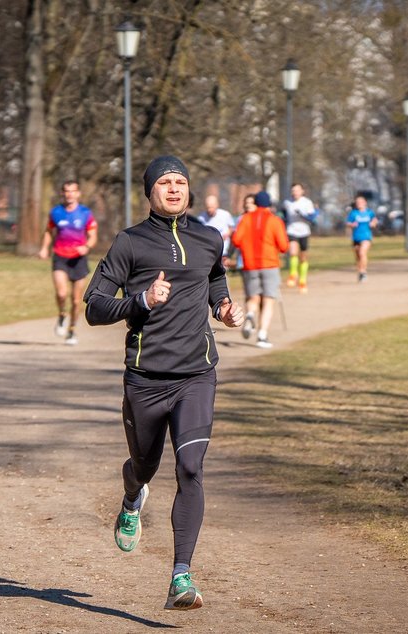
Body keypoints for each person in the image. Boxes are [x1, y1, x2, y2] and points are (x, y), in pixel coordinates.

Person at [83, 155, 244, 611]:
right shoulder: (130, 243)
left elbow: (214, 278)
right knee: (145, 465)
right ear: (150, 191)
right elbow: (94, 306)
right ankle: (132, 494)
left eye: (180, 182)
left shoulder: (209, 238)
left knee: (190, 468)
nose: (174, 189)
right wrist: (141, 300)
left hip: (197, 374)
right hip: (146, 379)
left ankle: (180, 576)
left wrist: (223, 307)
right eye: (164, 182)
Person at [38, 180, 98, 345]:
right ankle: (62, 315)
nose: (69, 194)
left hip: (79, 259)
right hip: (60, 257)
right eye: (66, 191)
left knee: (76, 300)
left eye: (73, 191)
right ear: (62, 193)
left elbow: (93, 236)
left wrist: (87, 247)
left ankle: (71, 330)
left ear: (78, 193)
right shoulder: (56, 212)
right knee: (62, 294)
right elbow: (48, 232)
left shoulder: (85, 213)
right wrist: (44, 248)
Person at [230, 191, 288, 348]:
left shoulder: (245, 219)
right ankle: (262, 335)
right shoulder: (275, 220)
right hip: (269, 264)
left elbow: (236, 240)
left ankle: (250, 315)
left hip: (250, 265)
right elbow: (284, 246)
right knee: (268, 299)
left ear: (255, 203)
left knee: (253, 297)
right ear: (269, 204)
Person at [281, 183, 317, 293]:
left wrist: (302, 215)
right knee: (293, 252)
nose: (295, 192)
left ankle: (302, 280)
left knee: (303, 257)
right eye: (293, 190)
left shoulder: (307, 202)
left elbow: (312, 217)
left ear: (302, 191)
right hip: (291, 230)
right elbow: (283, 214)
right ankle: (293, 274)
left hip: (304, 232)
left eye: (297, 190)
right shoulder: (287, 203)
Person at [347, 194, 378, 283]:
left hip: (366, 237)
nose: (359, 204)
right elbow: (348, 223)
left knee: (362, 253)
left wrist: (373, 223)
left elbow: (375, 220)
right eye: (357, 202)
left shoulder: (369, 212)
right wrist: (352, 225)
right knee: (358, 257)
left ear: (365, 203)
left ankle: (363, 272)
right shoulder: (353, 213)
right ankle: (360, 271)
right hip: (356, 237)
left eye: (360, 202)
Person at [197, 194, 235, 259]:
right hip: (209, 251)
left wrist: (227, 235)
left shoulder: (225, 215)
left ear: (217, 205)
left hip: (223, 251)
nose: (209, 210)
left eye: (211, 207)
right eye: (208, 207)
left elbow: (231, 228)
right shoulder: (201, 218)